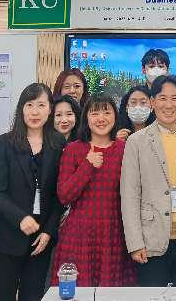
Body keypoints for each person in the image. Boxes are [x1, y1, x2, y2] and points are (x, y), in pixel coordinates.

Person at [121, 74, 176, 286]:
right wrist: (135, 243)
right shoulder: (136, 142)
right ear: (152, 102)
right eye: (162, 98)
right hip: (150, 240)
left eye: (174, 98)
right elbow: (129, 196)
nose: (168, 105)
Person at [0, 83, 64, 301]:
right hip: (7, 239)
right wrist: (20, 218)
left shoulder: (58, 143)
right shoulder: (5, 142)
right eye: (29, 105)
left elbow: (60, 195)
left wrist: (48, 232)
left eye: (41, 105)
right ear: (22, 108)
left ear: (50, 109)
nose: (35, 111)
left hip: (41, 242)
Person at [49, 93, 136, 287]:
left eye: (107, 112)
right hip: (79, 235)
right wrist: (87, 166)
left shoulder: (125, 149)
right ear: (86, 118)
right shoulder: (73, 149)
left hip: (114, 234)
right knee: (77, 293)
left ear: (115, 116)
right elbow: (64, 195)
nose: (101, 118)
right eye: (95, 113)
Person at [141, 48, 176, 128]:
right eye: (151, 66)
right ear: (143, 70)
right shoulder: (137, 96)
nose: (156, 70)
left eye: (160, 66)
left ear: (167, 70)